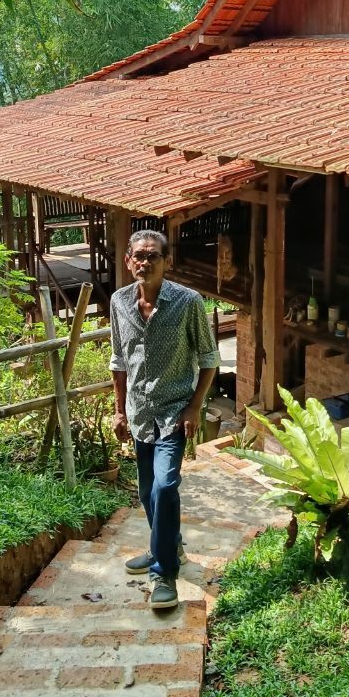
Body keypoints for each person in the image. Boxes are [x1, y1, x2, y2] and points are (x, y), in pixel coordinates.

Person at [109, 229, 219, 611]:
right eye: (139, 255)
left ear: (167, 262)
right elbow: (119, 361)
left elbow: (208, 358)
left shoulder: (188, 302)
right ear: (128, 261)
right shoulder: (119, 302)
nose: (146, 262)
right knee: (145, 493)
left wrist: (193, 407)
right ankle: (169, 545)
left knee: (165, 486)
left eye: (154, 256)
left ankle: (164, 573)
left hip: (174, 412)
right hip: (140, 412)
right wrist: (120, 410)